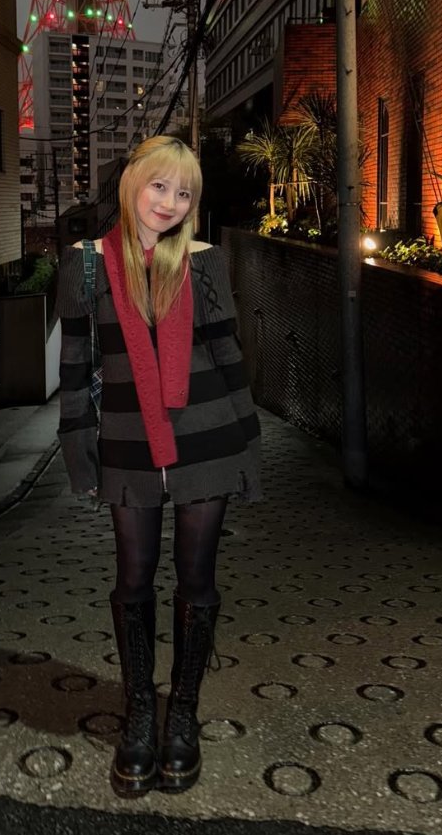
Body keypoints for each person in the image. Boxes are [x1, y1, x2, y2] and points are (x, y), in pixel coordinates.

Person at [55, 135, 262, 799]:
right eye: (159, 186)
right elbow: (74, 365)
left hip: (208, 437)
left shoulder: (204, 261)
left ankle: (184, 714)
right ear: (132, 184)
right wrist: (77, 443)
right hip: (127, 442)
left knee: (197, 578)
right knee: (133, 577)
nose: (170, 203)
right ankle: (140, 710)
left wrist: (249, 442)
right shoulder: (86, 265)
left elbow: (228, 355)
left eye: (183, 193)